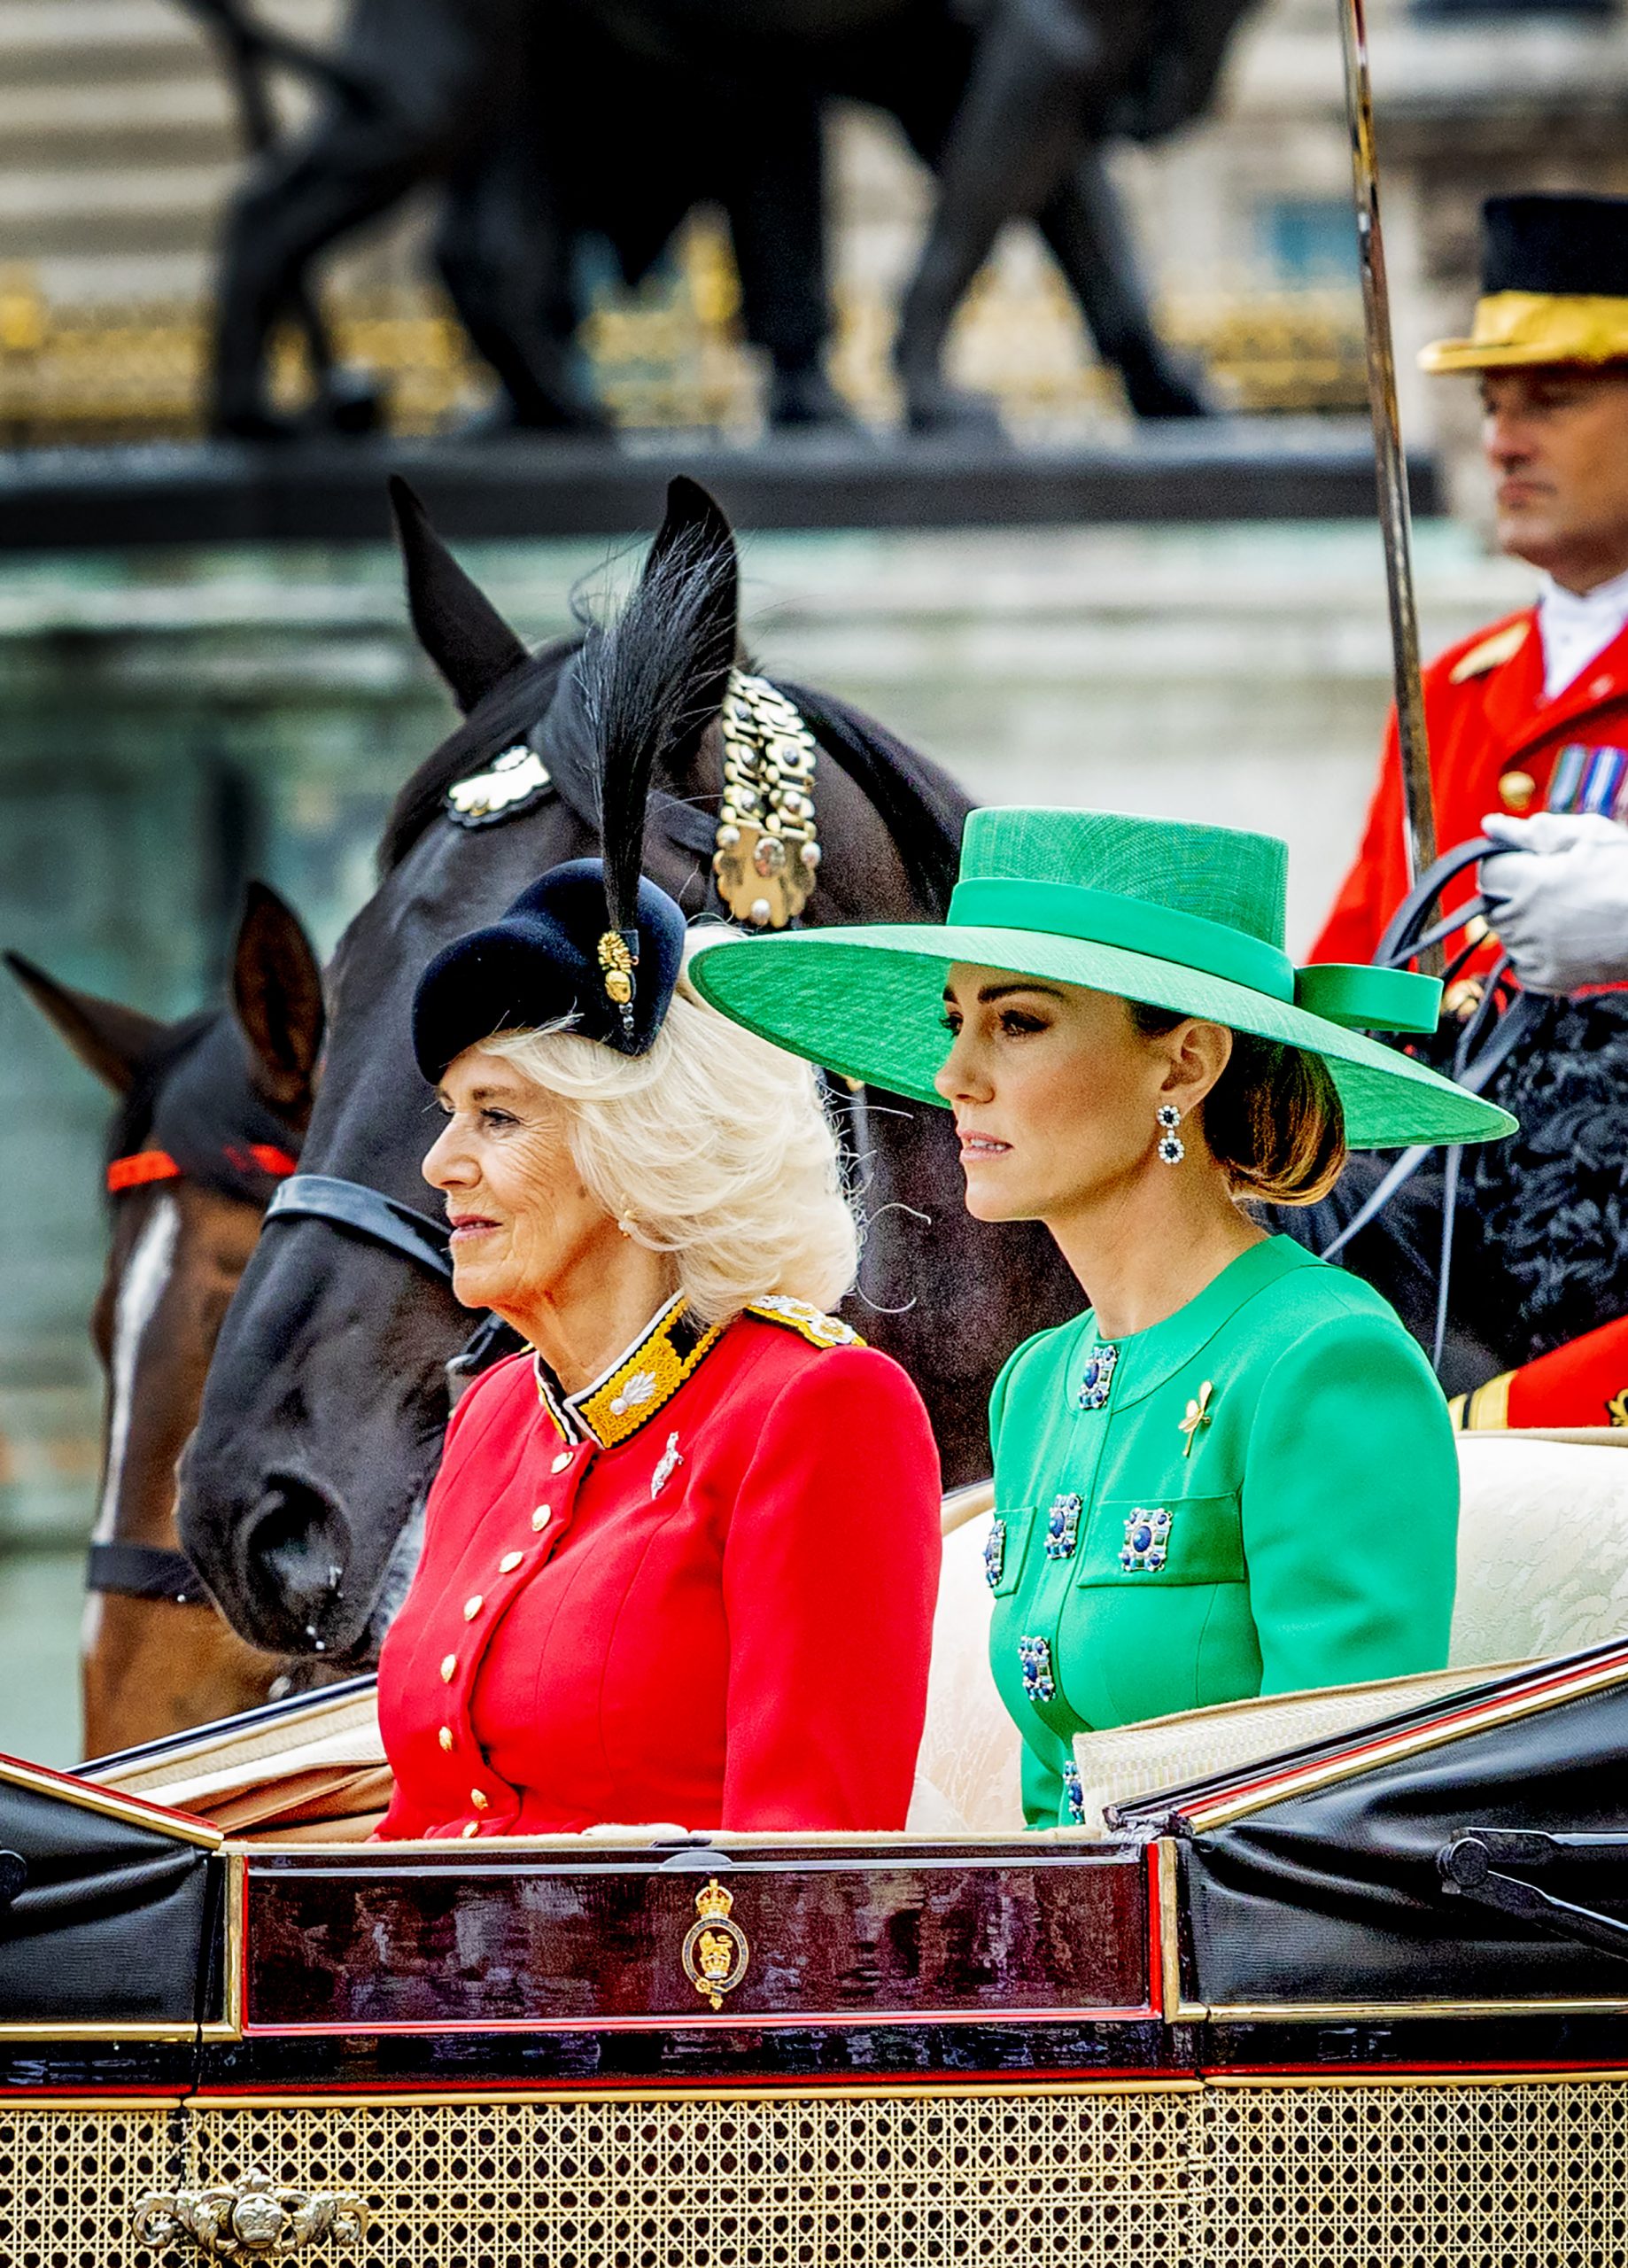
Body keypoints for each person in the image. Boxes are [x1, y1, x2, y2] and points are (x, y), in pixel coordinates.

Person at [689, 806, 1513, 1827]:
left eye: (1017, 1022)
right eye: (955, 1022)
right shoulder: (1037, 1384)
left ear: (1184, 1064)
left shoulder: (1323, 1359)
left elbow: (1337, 1818)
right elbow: (1056, 1805)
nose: (953, 1078)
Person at [373, 558, 942, 1843]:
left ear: (644, 1150)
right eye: (451, 1115)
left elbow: (812, 1894)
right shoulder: (499, 1417)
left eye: (497, 1118)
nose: (439, 1165)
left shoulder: (816, 1412)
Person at [1314, 193, 1628, 966]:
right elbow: (1348, 995)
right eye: (1493, 407)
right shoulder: (1449, 695)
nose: (1503, 445)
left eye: (1551, 402)